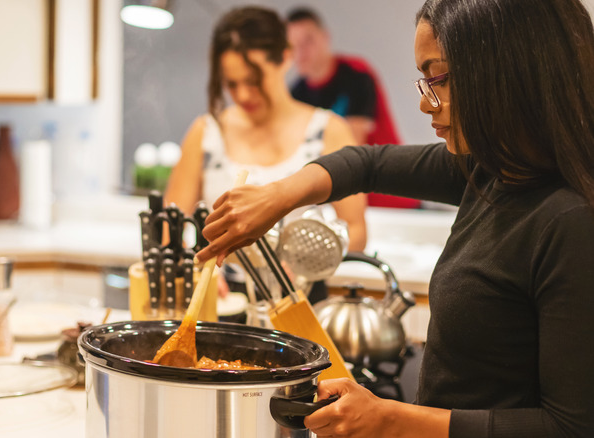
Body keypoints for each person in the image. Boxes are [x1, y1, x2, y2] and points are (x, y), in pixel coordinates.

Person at [198, 0, 594, 436]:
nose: (427, 104)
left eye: (438, 77)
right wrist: (277, 196)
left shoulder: (570, 221)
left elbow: (570, 428)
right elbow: (367, 164)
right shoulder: (494, 169)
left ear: (506, 70)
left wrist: (390, 418)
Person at [164, 6, 368, 297]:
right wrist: (190, 266)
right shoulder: (206, 133)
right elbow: (168, 228)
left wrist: (306, 266)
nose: (243, 95)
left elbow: (356, 229)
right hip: (222, 302)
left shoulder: (328, 131)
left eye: (254, 81)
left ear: (286, 57)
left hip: (300, 297)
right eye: (231, 84)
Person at [286, 6, 422, 209]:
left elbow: (351, 145)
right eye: (293, 45)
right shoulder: (297, 93)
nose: (301, 52)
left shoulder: (356, 75)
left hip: (390, 194)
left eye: (308, 41)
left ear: (325, 37)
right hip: (347, 199)